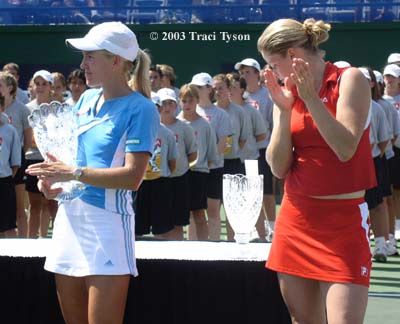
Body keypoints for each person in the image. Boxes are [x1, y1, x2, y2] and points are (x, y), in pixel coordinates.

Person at [26, 21, 159, 324]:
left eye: (90, 56)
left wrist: (72, 172)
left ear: (115, 60)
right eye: (84, 56)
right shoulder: (85, 100)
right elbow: (74, 164)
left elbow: (132, 177)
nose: (82, 64)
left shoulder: (142, 109)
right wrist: (55, 185)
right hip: (69, 221)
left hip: (108, 228)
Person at [258, 18, 376, 323]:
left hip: (344, 223)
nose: (272, 71)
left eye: (274, 63)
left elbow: (345, 148)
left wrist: (310, 98)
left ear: (294, 54)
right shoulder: (287, 90)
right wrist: (284, 111)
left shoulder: (349, 79)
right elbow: (278, 167)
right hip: (297, 220)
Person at [235, 57, 276, 240]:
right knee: (250, 192)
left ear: (258, 74)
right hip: (244, 154)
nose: (244, 75)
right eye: (242, 72)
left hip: (264, 149)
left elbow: (273, 125)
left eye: (248, 72)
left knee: (266, 191)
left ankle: (272, 227)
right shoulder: (238, 97)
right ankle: (254, 227)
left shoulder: (268, 95)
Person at [227, 72, 269, 241]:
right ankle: (234, 237)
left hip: (250, 161)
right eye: (229, 87)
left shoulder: (251, 110)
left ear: (242, 90)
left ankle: (261, 236)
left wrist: (246, 143)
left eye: (235, 88)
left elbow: (261, 135)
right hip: (231, 162)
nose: (231, 91)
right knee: (232, 200)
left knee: (253, 199)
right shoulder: (223, 110)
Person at [190, 72, 231, 241]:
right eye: (194, 87)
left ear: (209, 89)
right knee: (193, 213)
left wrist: (206, 160)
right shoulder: (188, 111)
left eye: (199, 87)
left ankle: (214, 250)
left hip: (214, 169)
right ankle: (191, 252)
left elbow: (223, 144)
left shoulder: (221, 114)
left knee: (213, 211)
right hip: (193, 170)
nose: (196, 91)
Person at [178, 84, 218, 240]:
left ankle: (203, 249)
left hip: (199, 174)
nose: (187, 104)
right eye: (184, 101)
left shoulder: (204, 125)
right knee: (180, 216)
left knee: (199, 214)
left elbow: (212, 154)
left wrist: (202, 165)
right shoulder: (175, 123)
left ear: (197, 101)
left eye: (190, 100)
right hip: (178, 174)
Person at [134, 94, 178, 238]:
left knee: (163, 228)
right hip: (139, 183)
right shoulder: (135, 130)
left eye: (155, 108)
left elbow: (172, 163)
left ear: (159, 109)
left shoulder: (167, 133)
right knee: (136, 228)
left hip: (161, 184)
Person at [213, 73, 249, 241]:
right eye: (214, 88)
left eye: (221, 88)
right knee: (213, 207)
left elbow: (242, 138)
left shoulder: (239, 112)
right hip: (213, 165)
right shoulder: (209, 111)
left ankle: (231, 241)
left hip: (233, 163)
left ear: (229, 89)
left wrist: (231, 151)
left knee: (233, 208)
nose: (217, 91)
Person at [157, 87, 197, 240]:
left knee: (178, 222)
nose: (167, 108)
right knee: (161, 222)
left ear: (176, 105)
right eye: (163, 104)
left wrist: (180, 168)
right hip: (159, 181)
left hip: (180, 179)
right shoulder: (152, 127)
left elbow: (192, 152)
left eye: (170, 103)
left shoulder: (184, 128)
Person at [26, 70, 58, 238]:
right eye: (37, 83)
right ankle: (31, 243)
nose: (40, 87)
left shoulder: (57, 108)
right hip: (32, 159)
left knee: (50, 203)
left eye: (44, 83)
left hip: (51, 160)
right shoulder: (28, 108)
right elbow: (28, 139)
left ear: (50, 86)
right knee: (35, 204)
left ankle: (49, 239)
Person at [0, 71, 32, 238]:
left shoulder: (21, 109)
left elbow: (27, 139)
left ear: (10, 88)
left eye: (0, 85)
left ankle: (22, 249)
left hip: (15, 162)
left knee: (19, 208)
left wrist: (16, 159)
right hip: (3, 162)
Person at [0, 96, 21, 238]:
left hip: (4, 181)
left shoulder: (9, 130)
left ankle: (12, 258)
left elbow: (15, 162)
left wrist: (5, 177)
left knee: (8, 225)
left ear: (2, 108)